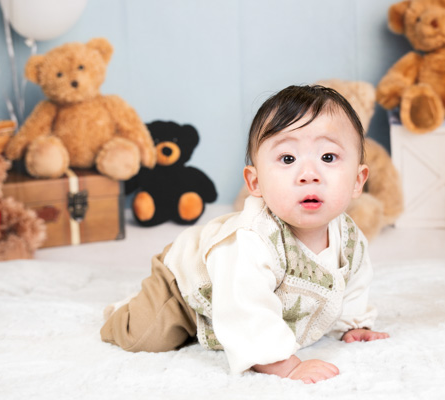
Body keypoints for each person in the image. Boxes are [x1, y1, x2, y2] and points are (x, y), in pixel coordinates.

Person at [100, 84, 389, 384]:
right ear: (255, 182)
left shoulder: (349, 237)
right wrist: (283, 364)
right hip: (184, 283)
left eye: (328, 157)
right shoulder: (253, 239)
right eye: (288, 159)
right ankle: (127, 309)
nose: (309, 174)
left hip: (230, 293)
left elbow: (353, 282)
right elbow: (246, 309)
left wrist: (353, 324)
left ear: (358, 180)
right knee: (146, 336)